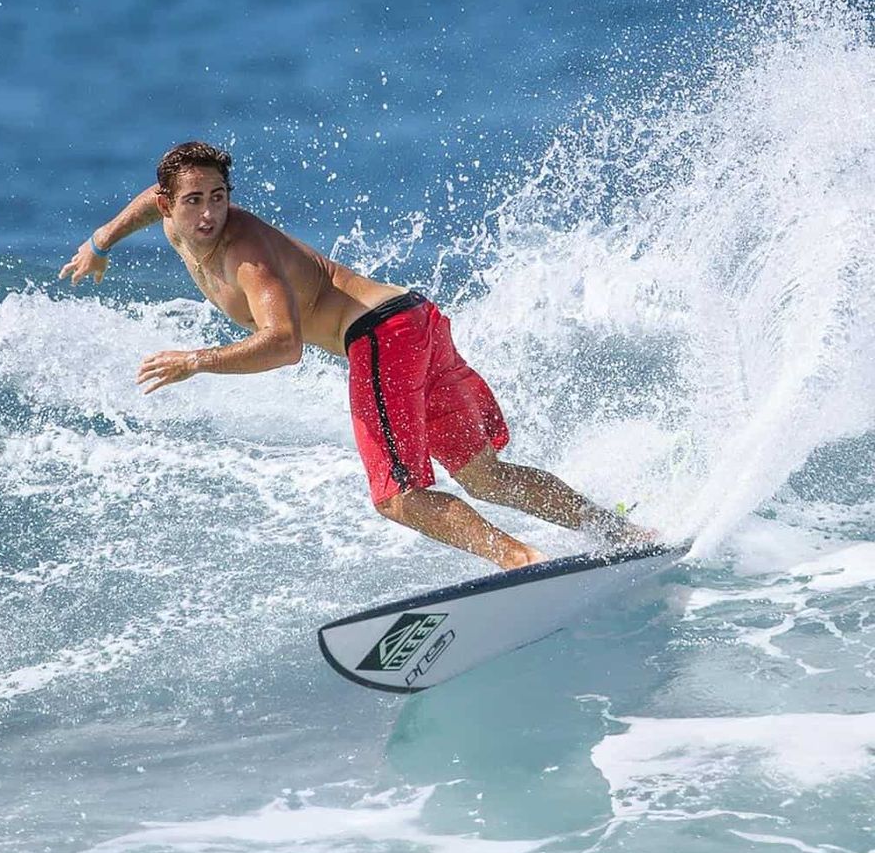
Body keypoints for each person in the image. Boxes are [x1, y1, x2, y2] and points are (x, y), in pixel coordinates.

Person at [59, 141, 649, 570]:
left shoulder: (246, 256)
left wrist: (195, 360)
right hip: (415, 318)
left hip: (382, 334)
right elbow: (141, 201)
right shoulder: (170, 218)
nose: (209, 212)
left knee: (396, 497)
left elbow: (285, 344)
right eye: (194, 200)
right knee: (484, 476)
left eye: (219, 196)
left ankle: (521, 562)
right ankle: (622, 534)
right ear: (170, 206)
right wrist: (97, 244)